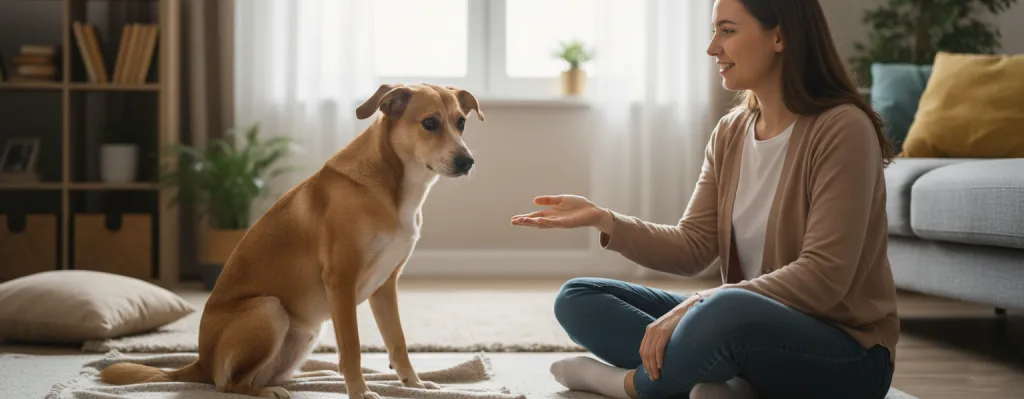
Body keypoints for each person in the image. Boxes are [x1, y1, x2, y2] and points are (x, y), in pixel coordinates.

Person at [510, 0, 899, 398]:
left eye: (728, 31)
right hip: (740, 328)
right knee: (579, 297)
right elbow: (693, 247)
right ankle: (726, 382)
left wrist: (701, 304)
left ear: (780, 35)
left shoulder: (842, 128)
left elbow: (824, 277)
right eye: (714, 32)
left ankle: (626, 385)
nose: (713, 48)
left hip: (846, 356)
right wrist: (605, 220)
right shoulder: (730, 132)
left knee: (721, 311)